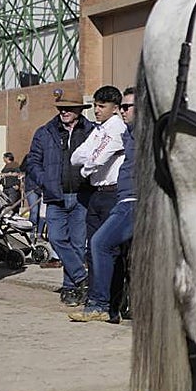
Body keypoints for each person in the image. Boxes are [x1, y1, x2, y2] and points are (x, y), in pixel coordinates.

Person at [70, 88, 136, 323]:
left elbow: (95, 160)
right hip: (101, 194)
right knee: (96, 249)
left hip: (121, 196)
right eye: (95, 106)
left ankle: (105, 305)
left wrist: (88, 167)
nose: (97, 110)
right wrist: (90, 164)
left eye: (126, 108)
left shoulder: (119, 128)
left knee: (105, 247)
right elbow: (76, 156)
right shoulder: (119, 132)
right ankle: (101, 304)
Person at [24, 94, 95, 305]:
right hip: (56, 197)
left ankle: (70, 288)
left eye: (69, 109)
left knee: (77, 245)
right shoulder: (45, 132)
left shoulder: (91, 132)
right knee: (55, 238)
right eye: (61, 108)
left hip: (82, 195)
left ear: (80, 110)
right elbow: (32, 161)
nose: (64, 112)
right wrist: (44, 180)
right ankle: (82, 277)